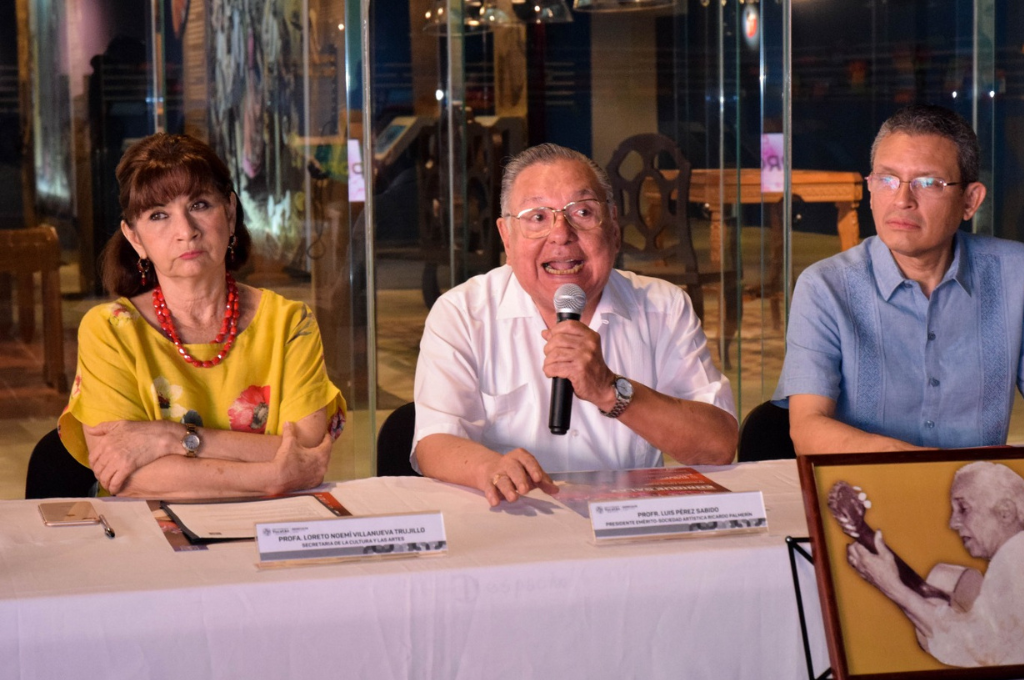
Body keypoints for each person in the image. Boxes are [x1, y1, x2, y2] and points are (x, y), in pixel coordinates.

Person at [776, 104, 1024, 470]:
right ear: (870, 189)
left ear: (970, 201)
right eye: (887, 179)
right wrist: (926, 469)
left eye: (928, 183)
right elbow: (807, 428)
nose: (902, 200)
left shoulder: (1017, 273)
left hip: (980, 501)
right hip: (865, 496)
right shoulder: (826, 287)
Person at [412, 143, 737, 506]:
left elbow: (717, 447)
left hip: (631, 523)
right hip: (516, 517)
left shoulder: (662, 306)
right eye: (537, 217)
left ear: (613, 228)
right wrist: (491, 467)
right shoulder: (462, 313)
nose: (561, 233)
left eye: (582, 212)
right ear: (506, 236)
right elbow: (434, 442)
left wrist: (612, 391)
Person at [59, 133, 346, 499]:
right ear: (135, 238)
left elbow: (306, 454)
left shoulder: (290, 323)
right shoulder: (110, 330)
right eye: (159, 215)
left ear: (229, 211)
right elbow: (127, 478)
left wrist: (170, 438)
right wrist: (271, 477)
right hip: (149, 541)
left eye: (199, 205)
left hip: (272, 532)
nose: (186, 231)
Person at [847, 462, 1024, 667]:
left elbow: (977, 647)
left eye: (963, 509)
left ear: (1005, 512)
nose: (953, 522)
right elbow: (970, 635)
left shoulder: (1021, 564)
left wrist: (892, 586)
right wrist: (893, 586)